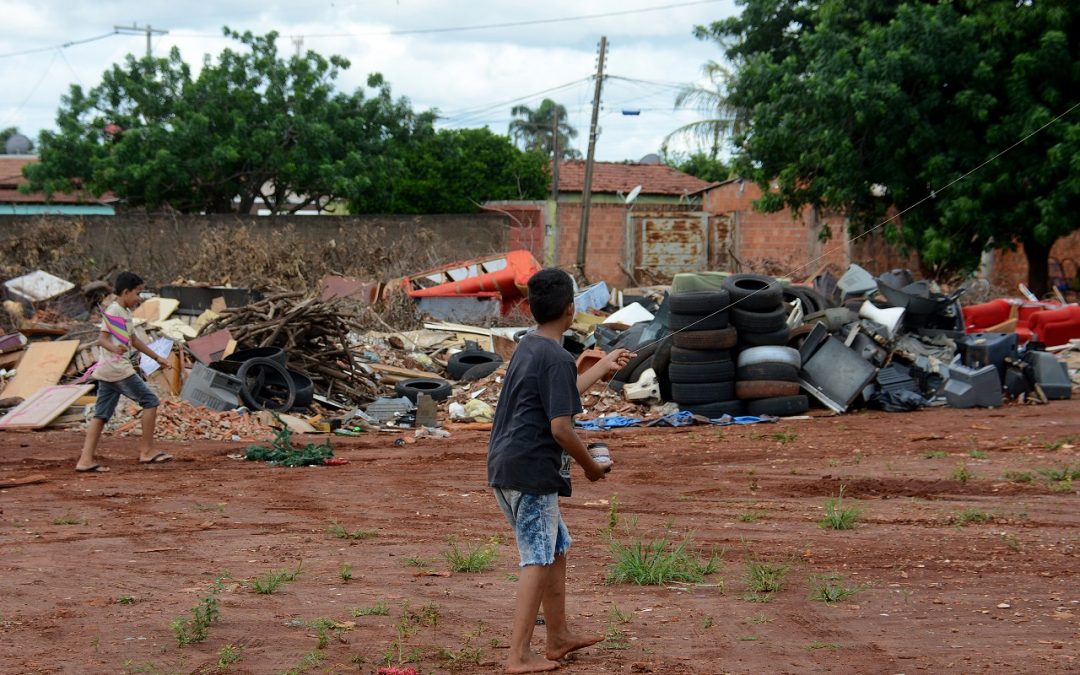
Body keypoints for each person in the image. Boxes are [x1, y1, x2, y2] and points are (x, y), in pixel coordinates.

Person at [487, 268, 634, 673]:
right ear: (571, 309)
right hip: (531, 470)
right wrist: (590, 467)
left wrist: (602, 366)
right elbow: (561, 427)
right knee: (537, 556)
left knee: (555, 548)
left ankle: (557, 637)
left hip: (508, 464)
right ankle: (518, 655)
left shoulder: (531, 346)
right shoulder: (553, 356)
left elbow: (560, 392)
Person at [75, 272, 173, 473]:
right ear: (126, 291)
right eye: (137, 293)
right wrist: (115, 349)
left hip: (108, 371)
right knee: (151, 402)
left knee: (101, 414)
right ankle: (146, 451)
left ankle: (85, 460)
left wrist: (157, 358)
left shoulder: (124, 311)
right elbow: (102, 339)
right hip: (117, 369)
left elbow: (134, 340)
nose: (139, 298)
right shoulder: (114, 310)